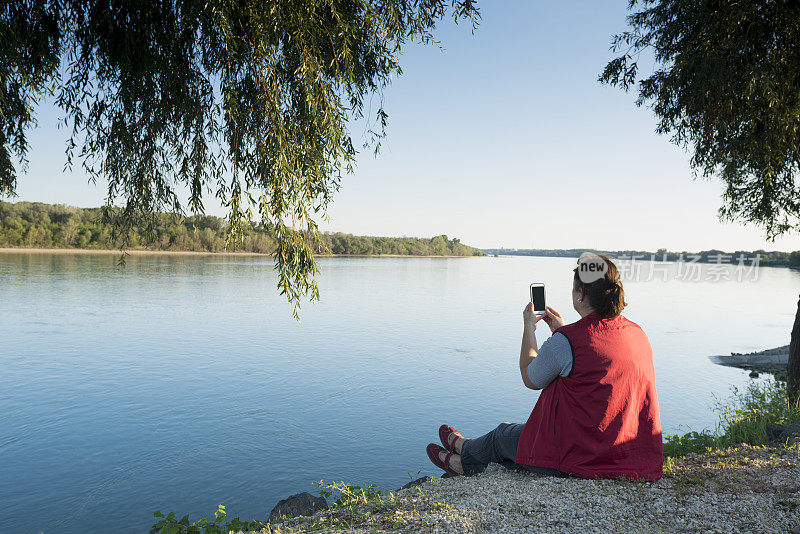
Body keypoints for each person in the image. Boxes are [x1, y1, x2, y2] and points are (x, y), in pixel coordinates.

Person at [426, 254, 663, 481]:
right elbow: (593, 352)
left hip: (580, 455)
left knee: (503, 436)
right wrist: (562, 331)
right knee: (514, 440)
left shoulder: (568, 341)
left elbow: (531, 378)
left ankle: (461, 457)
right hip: (625, 451)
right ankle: (463, 447)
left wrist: (529, 328)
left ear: (580, 294)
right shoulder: (636, 333)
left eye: (573, 289)